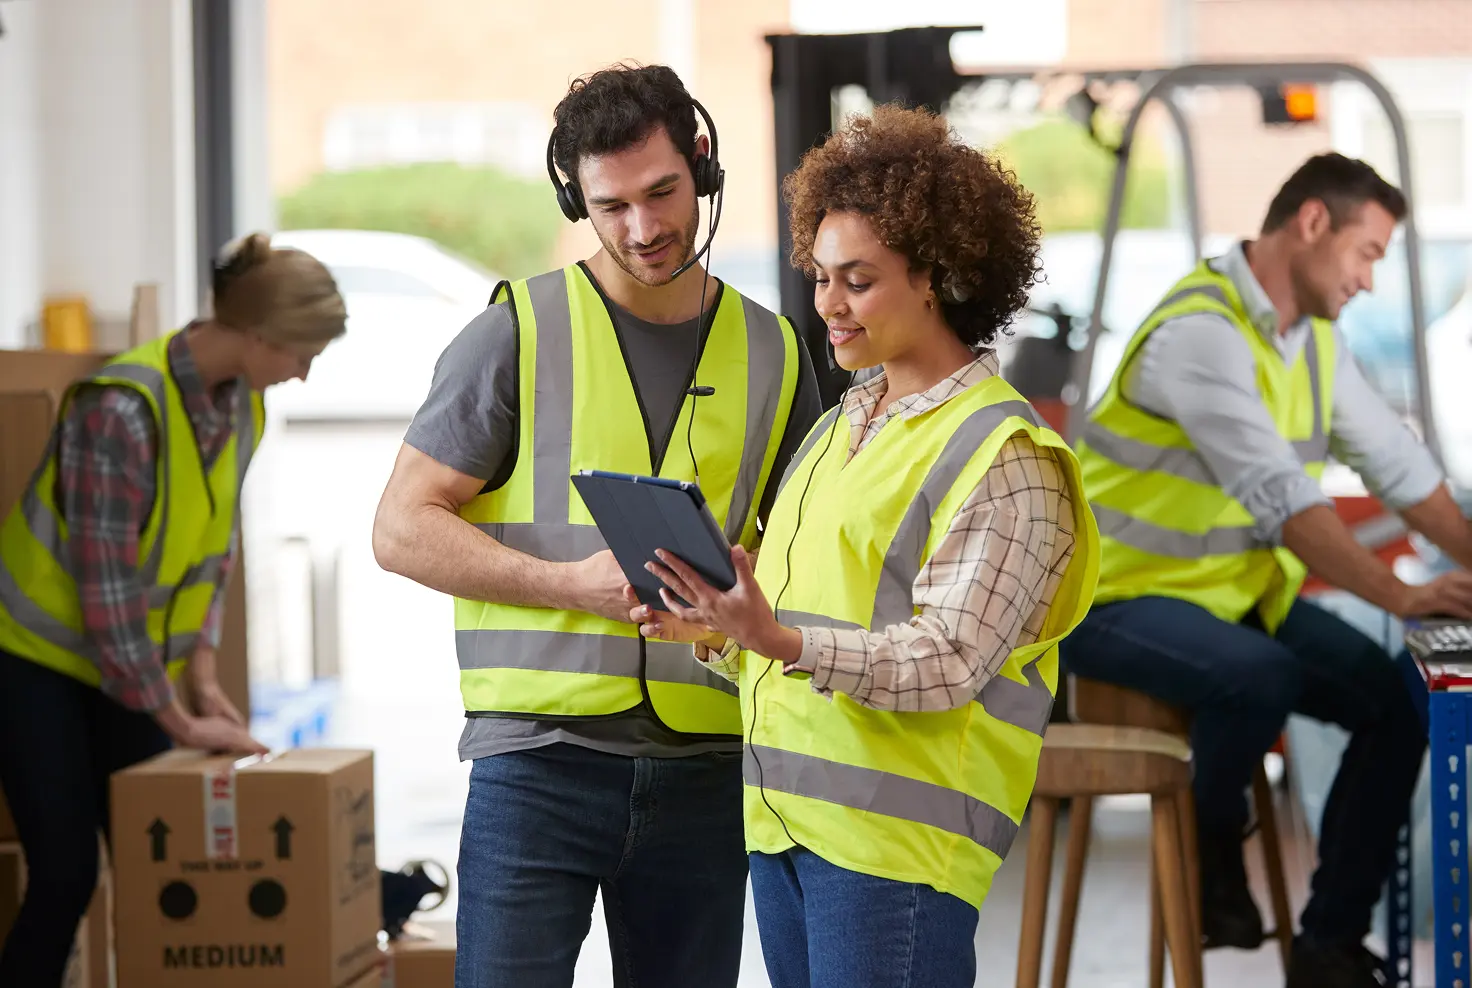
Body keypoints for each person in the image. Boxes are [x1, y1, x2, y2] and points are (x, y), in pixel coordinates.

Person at [371, 63, 821, 988]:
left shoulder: (776, 348)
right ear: (576, 197)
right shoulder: (515, 334)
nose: (644, 229)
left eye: (662, 194)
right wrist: (566, 584)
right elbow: (400, 528)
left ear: (703, 166)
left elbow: (809, 547)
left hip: (708, 765)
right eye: (612, 206)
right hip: (538, 764)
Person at [631, 104, 1101, 988]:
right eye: (820, 277)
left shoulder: (1004, 456)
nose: (828, 307)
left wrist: (778, 641)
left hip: (897, 854)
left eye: (858, 281)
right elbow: (802, 623)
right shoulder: (841, 425)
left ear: (937, 278)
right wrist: (719, 630)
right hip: (783, 828)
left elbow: (949, 660)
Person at [1061, 152, 1472, 988]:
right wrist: (1401, 592)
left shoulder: (1313, 344)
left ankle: (1326, 943)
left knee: (1398, 697)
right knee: (1262, 675)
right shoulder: (1201, 335)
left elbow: (1403, 470)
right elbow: (1285, 503)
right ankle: (1216, 860)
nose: (1366, 280)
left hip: (1229, 600)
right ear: (1312, 223)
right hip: (1111, 598)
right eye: (1367, 253)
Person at [0, 232, 347, 984]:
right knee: (64, 874)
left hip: (129, 666)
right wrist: (179, 719)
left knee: (163, 860)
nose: (303, 374)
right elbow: (108, 598)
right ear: (257, 337)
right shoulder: (120, 413)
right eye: (300, 354)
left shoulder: (241, 411)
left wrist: (202, 676)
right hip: (37, 661)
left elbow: (208, 551)